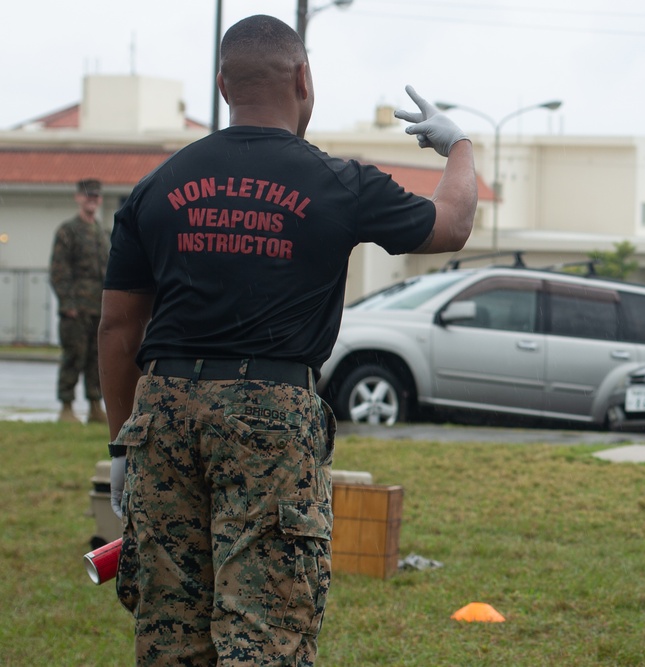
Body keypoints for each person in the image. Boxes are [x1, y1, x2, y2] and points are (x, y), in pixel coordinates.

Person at [98, 14, 476, 666]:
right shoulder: (339, 183)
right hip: (269, 412)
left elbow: (117, 326)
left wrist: (120, 445)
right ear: (304, 78)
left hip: (163, 409)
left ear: (223, 85)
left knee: (169, 631)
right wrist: (461, 146)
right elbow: (452, 223)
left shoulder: (157, 187)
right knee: (265, 631)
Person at [49, 178, 110, 424]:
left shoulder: (103, 234)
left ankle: (95, 405)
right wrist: (68, 304)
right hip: (76, 310)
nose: (91, 200)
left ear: (100, 199)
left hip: (99, 308)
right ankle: (66, 406)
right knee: (74, 356)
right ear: (78, 198)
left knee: (97, 359)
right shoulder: (68, 231)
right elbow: (59, 271)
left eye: (95, 196)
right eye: (87, 196)